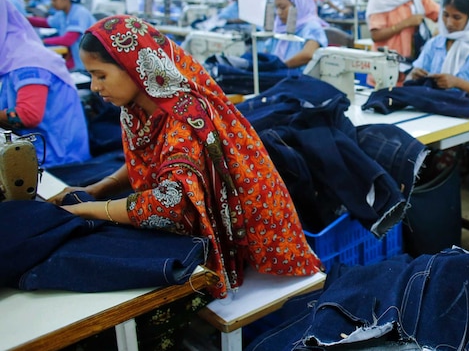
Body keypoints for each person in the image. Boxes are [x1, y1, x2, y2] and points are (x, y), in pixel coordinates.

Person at [49, 15, 321, 297]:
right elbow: (151, 163)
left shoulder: (183, 122)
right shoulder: (138, 108)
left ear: (132, 68)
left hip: (248, 241)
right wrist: (101, 188)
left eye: (100, 75)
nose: (94, 87)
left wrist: (87, 209)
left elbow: (169, 205)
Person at [0, 0, 90, 168]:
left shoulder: (27, 62)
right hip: (39, 150)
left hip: (55, 159)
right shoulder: (11, 58)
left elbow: (27, 115)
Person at [271, 0, 328, 72]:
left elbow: (308, 54)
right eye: (276, 8)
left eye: (282, 7)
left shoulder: (312, 27)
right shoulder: (279, 27)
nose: (278, 12)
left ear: (297, 5)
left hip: (299, 79)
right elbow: (268, 52)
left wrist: (280, 67)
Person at [42, 0, 97, 70]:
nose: (52, 3)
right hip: (79, 60)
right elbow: (46, 22)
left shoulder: (79, 13)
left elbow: (68, 40)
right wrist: (25, 19)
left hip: (92, 61)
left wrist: (44, 42)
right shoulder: (62, 14)